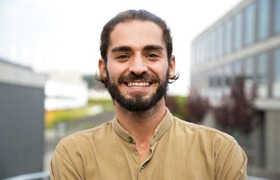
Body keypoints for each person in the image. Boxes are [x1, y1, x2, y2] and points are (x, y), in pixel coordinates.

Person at [50, 9, 248, 179]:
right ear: (103, 69)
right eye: (123, 56)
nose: (137, 67)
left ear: (170, 66)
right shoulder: (73, 156)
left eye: (152, 55)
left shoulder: (220, 153)